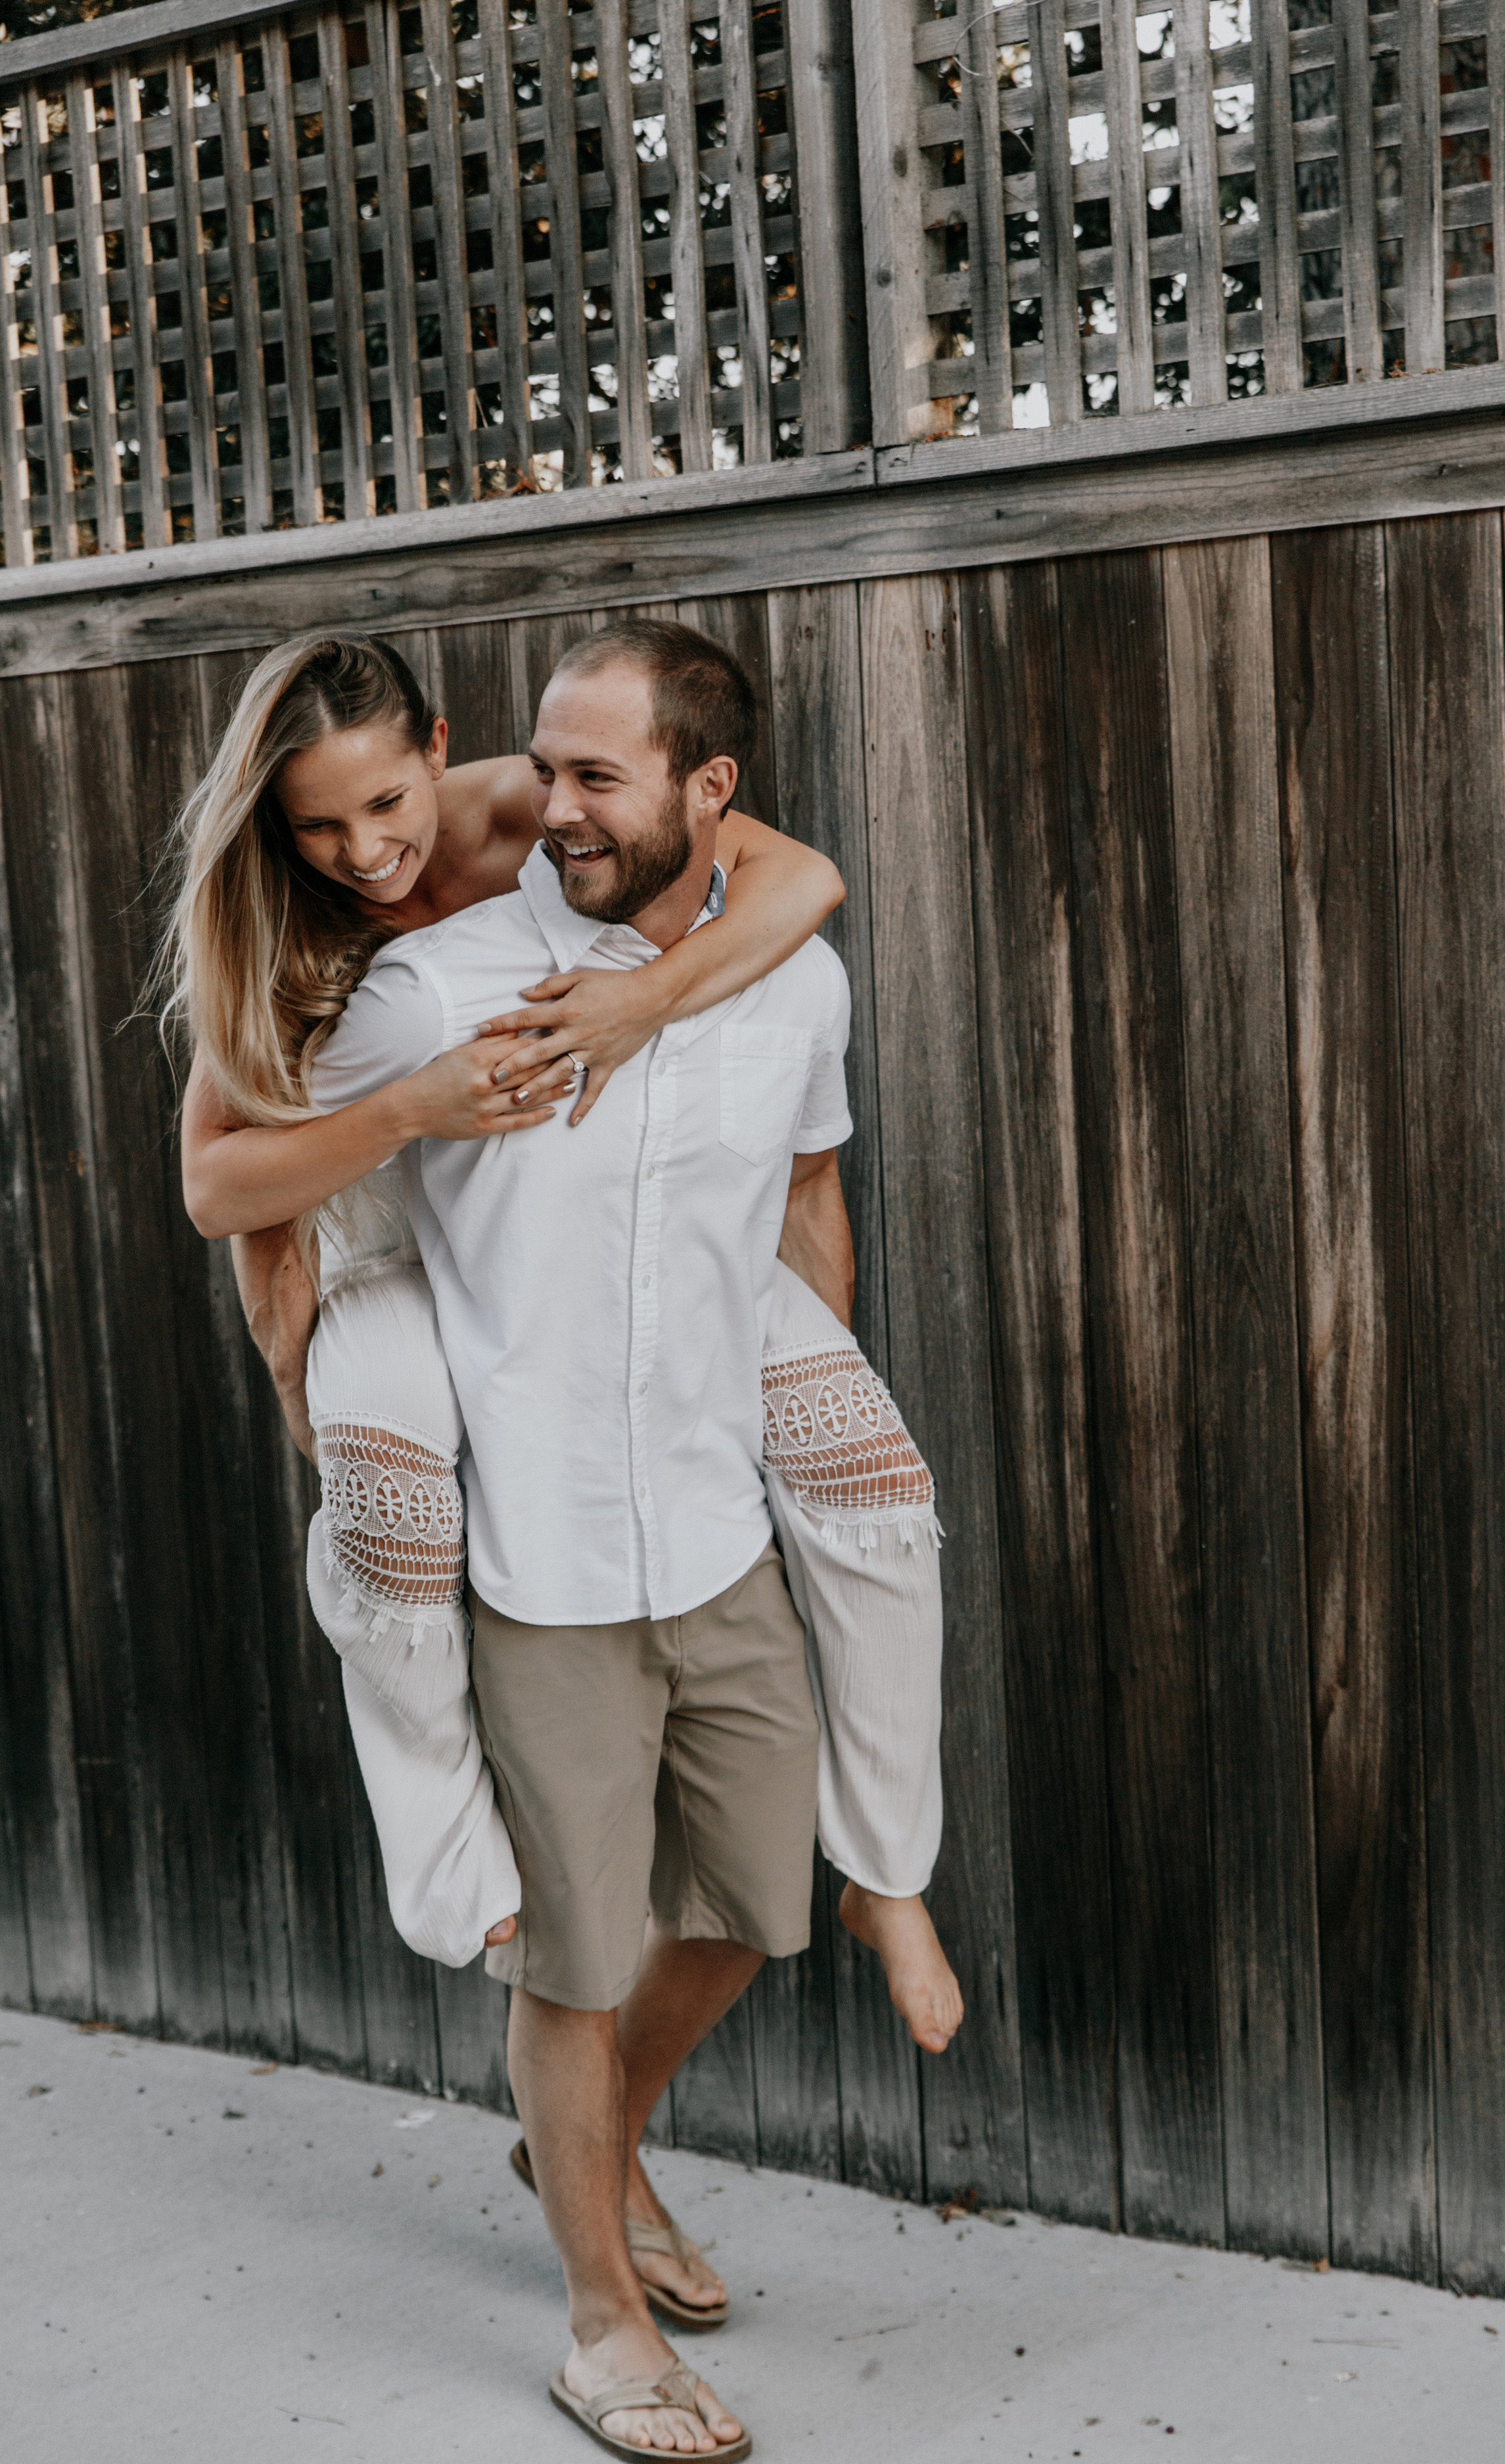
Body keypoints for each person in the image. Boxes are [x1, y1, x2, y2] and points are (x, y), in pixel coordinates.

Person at [162, 624, 959, 2456]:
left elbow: (799, 915)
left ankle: (625, 2098)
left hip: (669, 1431)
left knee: (760, 1873)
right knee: (394, 1497)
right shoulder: (392, 972)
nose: (367, 848)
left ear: (445, 759)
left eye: (384, 805)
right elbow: (222, 1188)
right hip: (395, 1233)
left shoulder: (567, 830)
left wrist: (646, 1005)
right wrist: (420, 1109)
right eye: (320, 828)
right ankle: (593, 2294)